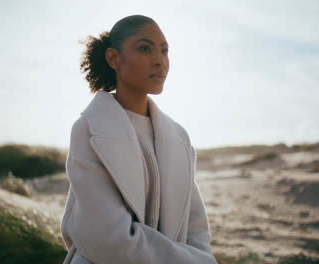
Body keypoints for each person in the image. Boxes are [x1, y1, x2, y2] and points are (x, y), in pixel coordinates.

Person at [60, 15, 218, 264]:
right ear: (114, 59)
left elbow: (195, 226)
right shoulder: (89, 129)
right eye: (145, 49)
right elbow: (108, 238)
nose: (159, 61)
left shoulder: (178, 136)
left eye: (165, 51)